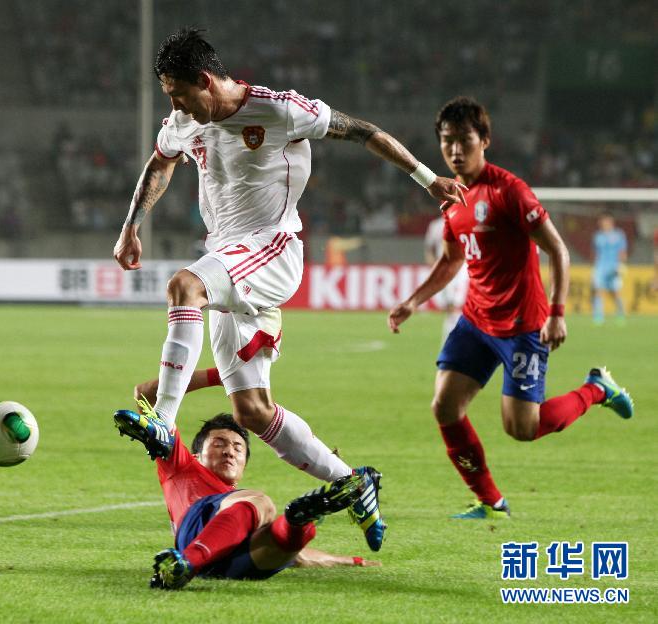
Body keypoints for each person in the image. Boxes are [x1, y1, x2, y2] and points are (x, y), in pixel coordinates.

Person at [112, 28, 466, 550]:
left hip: (272, 248)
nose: (173, 103)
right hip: (231, 256)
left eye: (177, 92)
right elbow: (161, 160)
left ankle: (163, 422)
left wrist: (426, 178)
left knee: (185, 285)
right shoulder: (187, 120)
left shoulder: (279, 111)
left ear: (205, 81)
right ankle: (354, 481)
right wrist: (131, 224)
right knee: (252, 410)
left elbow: (363, 131)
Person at [387, 97, 634, 519]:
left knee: (522, 428)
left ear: (485, 140)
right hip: (476, 320)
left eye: (465, 140)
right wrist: (413, 300)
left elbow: (558, 249)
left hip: (522, 325)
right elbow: (450, 261)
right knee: (444, 406)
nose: (455, 150)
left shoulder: (510, 191)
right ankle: (491, 503)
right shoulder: (451, 199)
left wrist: (557, 313)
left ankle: (597, 389)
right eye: (447, 142)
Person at [113, 408, 380, 589]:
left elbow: (300, 558)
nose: (230, 451)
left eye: (238, 448)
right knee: (261, 503)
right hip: (194, 531)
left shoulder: (239, 500)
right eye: (219, 444)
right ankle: (188, 562)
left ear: (244, 464)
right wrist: (221, 376)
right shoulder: (180, 465)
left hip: (219, 565)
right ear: (196, 455)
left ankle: (300, 521)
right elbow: (148, 395)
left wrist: (348, 561)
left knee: (284, 546)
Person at [424, 215, 468, 342]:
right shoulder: (435, 225)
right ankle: (451, 342)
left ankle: (453, 343)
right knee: (450, 308)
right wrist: (433, 267)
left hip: (460, 269)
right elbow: (429, 249)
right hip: (444, 269)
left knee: (457, 306)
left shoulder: (463, 220)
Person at [591, 213, 627, 325]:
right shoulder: (598, 236)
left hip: (614, 266)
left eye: (606, 221)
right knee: (598, 290)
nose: (604, 223)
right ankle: (598, 316)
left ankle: (621, 314)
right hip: (601, 267)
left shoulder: (619, 235)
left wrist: (620, 266)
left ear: (611, 222)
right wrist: (594, 267)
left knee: (615, 292)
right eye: (602, 221)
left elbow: (622, 252)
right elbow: (596, 253)